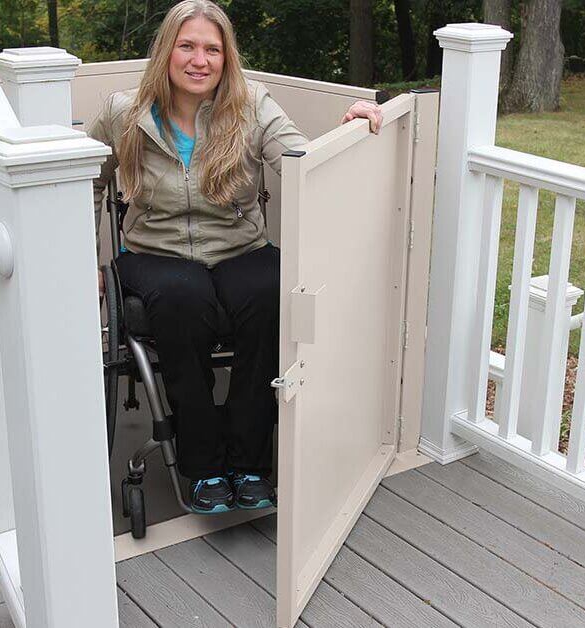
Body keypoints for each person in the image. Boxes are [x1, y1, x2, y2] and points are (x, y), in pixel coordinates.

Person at [89, 0, 383, 514]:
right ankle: (202, 465)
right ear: (166, 52)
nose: (199, 59)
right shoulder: (124, 113)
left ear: (226, 58)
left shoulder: (252, 107)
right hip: (154, 252)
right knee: (184, 298)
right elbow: (82, 181)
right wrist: (80, 261)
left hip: (238, 246)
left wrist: (349, 127)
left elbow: (303, 161)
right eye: (187, 46)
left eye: (212, 49)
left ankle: (249, 461)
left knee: (272, 291)